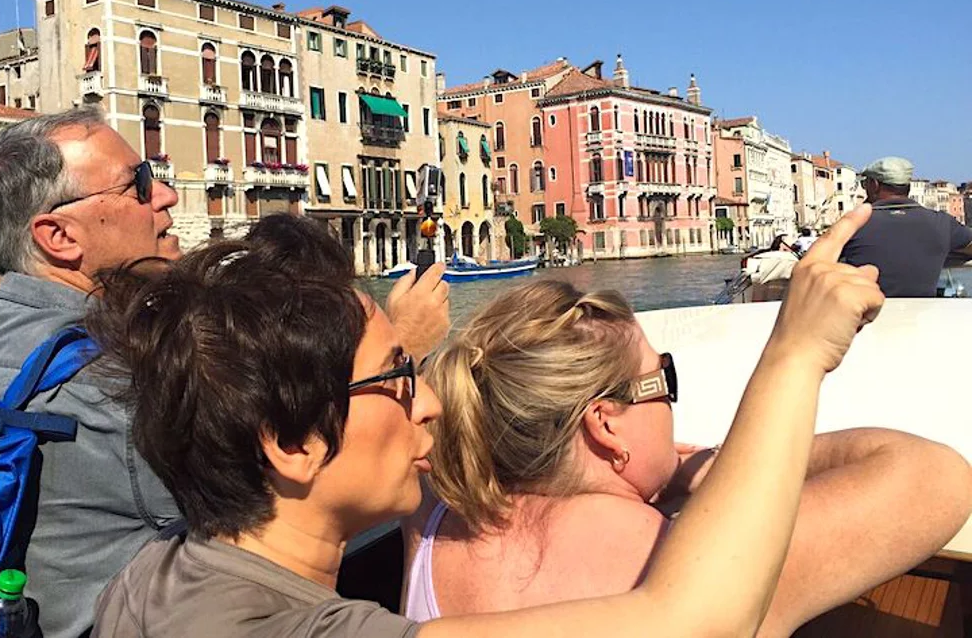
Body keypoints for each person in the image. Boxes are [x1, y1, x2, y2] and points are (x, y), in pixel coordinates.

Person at [93, 210, 896, 638]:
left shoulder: (153, 573)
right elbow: (692, 627)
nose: (431, 402)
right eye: (398, 378)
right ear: (296, 445)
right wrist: (794, 355)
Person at [407, 229, 972, 636]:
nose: (674, 400)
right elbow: (936, 476)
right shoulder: (703, 566)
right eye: (664, 378)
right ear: (605, 426)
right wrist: (726, 460)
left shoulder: (431, 515)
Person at [0, 107, 184, 638]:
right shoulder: (124, 379)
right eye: (139, 183)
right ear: (59, 237)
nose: (166, 195)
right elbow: (284, 520)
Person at [841, 157, 972, 297]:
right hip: (922, 315)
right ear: (908, 187)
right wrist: (940, 256)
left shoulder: (852, 224)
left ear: (874, 185)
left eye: (864, 184)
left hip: (869, 315)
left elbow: (819, 262)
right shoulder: (942, 223)